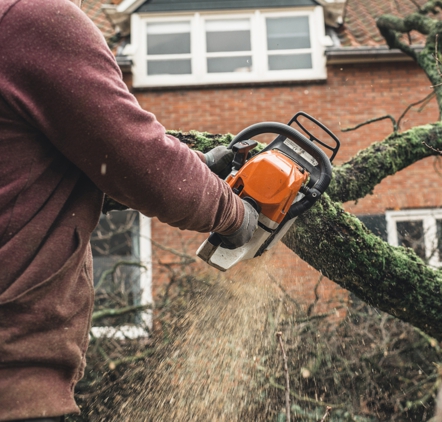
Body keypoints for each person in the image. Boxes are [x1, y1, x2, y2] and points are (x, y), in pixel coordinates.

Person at [0, 0, 258, 420]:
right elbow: (141, 162)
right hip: (12, 388)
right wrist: (236, 215)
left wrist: (198, 168)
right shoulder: (33, 19)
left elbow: (26, 177)